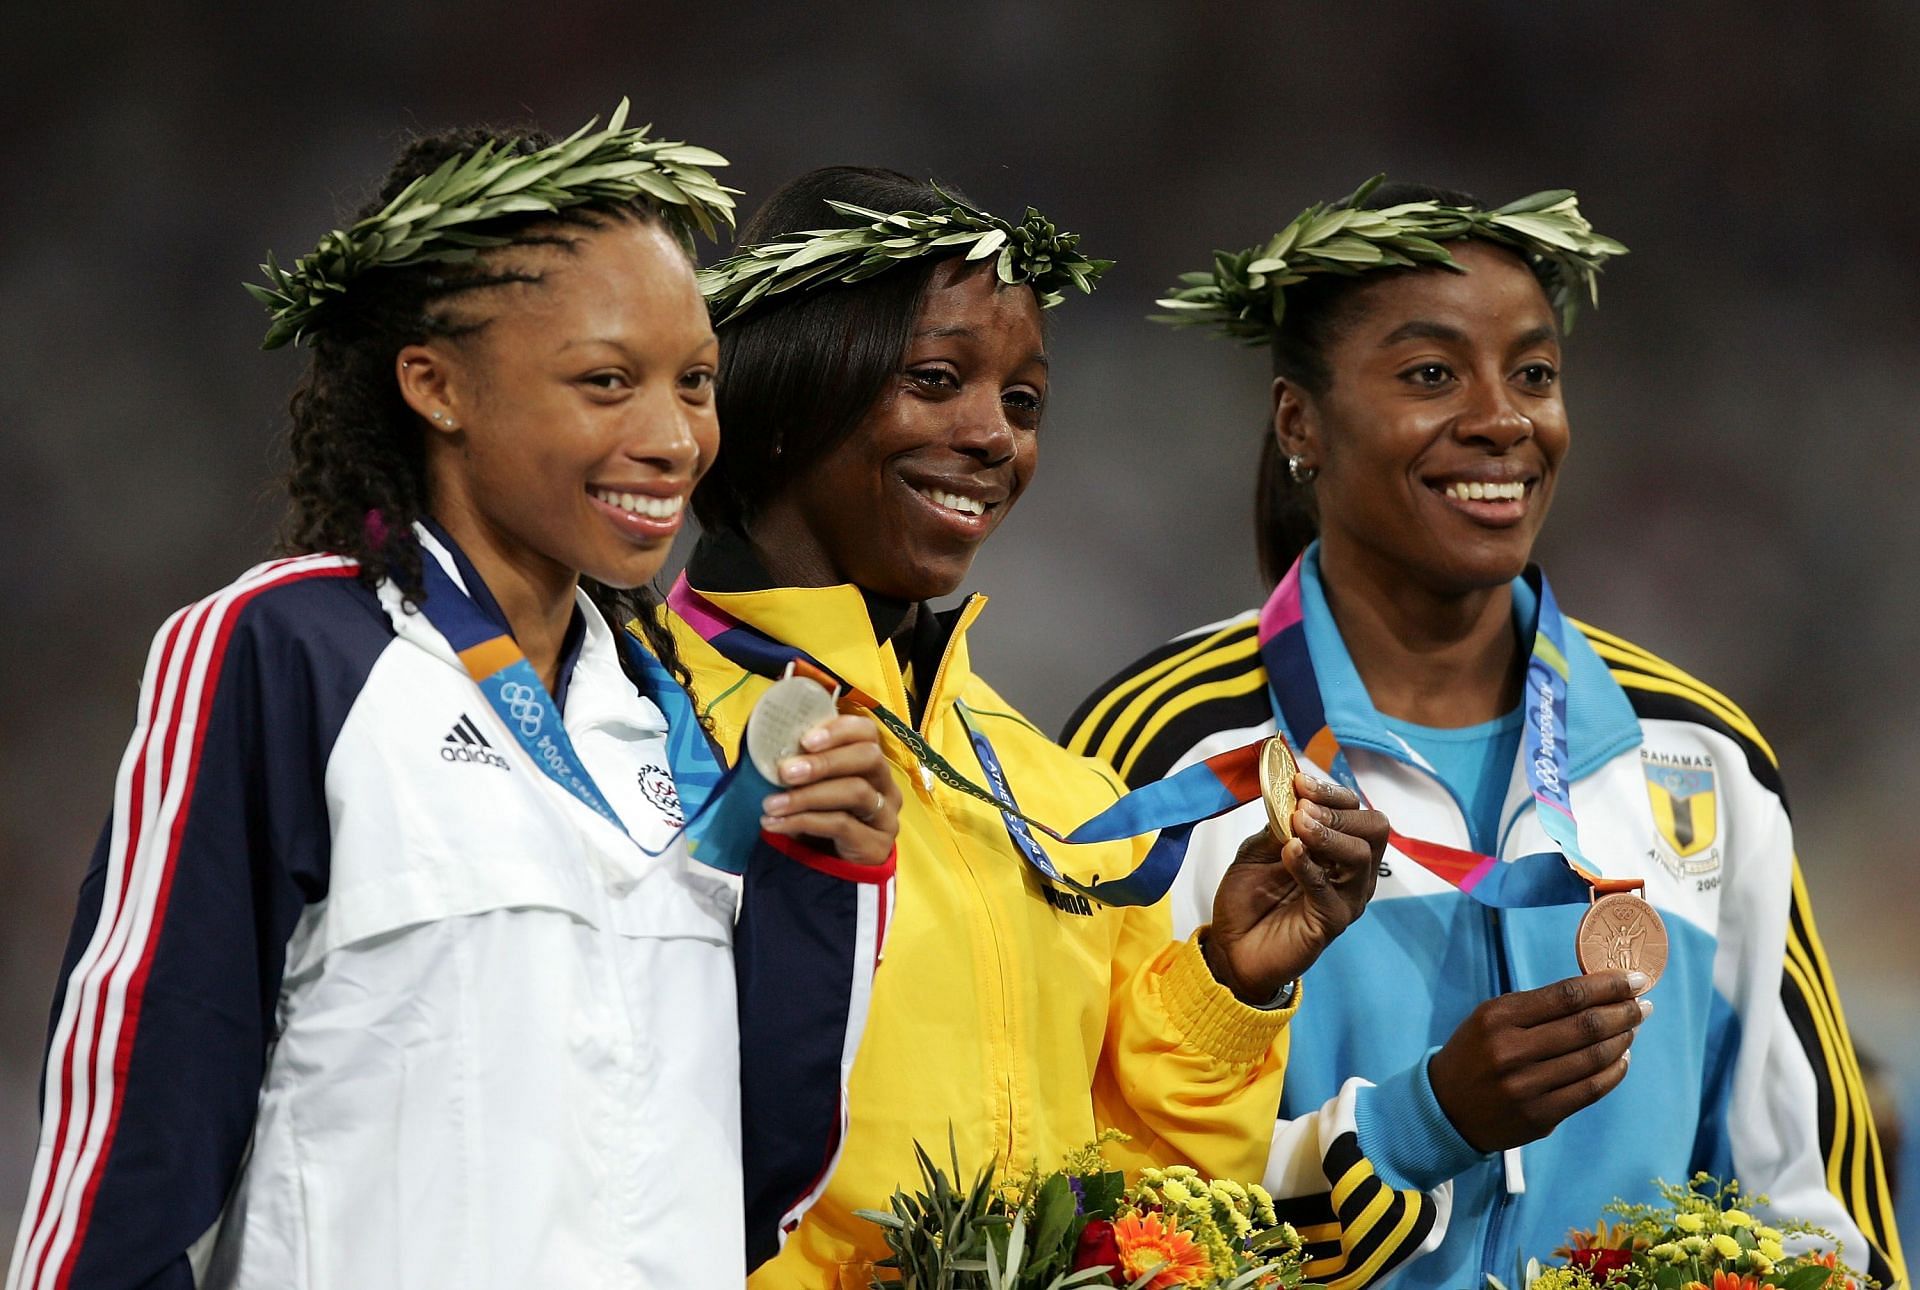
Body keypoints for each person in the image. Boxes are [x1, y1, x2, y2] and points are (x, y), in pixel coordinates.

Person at [6, 107, 899, 1290]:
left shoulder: (667, 722)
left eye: (695, 384)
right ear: (435, 386)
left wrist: (828, 883)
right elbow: (132, 1127)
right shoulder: (290, 653)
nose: (674, 438)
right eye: (606, 381)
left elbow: (754, 1179)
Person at [1068, 179, 1906, 1290]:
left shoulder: (1697, 752)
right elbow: (1089, 1202)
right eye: (1430, 374)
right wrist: (1419, 1125)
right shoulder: (1162, 756)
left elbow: (1815, 1208)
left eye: (1535, 373)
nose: (1502, 418)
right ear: (1299, 423)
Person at [666, 166, 1389, 1287]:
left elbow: (1145, 1214)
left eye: (1023, 402)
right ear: (790, 390)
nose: (994, 437)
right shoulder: (643, 734)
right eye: (938, 379)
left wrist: (1233, 987)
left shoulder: (1063, 795)